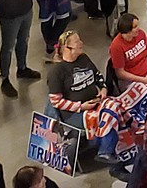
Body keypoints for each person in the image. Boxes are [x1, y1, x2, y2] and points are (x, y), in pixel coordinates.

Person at [47, 30, 125, 165]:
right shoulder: (56, 71)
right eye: (77, 42)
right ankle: (105, 149)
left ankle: (105, 149)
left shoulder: (83, 58)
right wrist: (80, 106)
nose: (81, 43)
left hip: (95, 102)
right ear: (67, 48)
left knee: (118, 105)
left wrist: (103, 88)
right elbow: (56, 101)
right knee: (108, 113)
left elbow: (97, 75)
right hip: (74, 114)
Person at [109, 13, 147, 89]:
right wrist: (144, 80)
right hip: (131, 81)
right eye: (135, 27)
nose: (138, 29)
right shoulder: (116, 46)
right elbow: (120, 73)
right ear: (127, 30)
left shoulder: (141, 34)